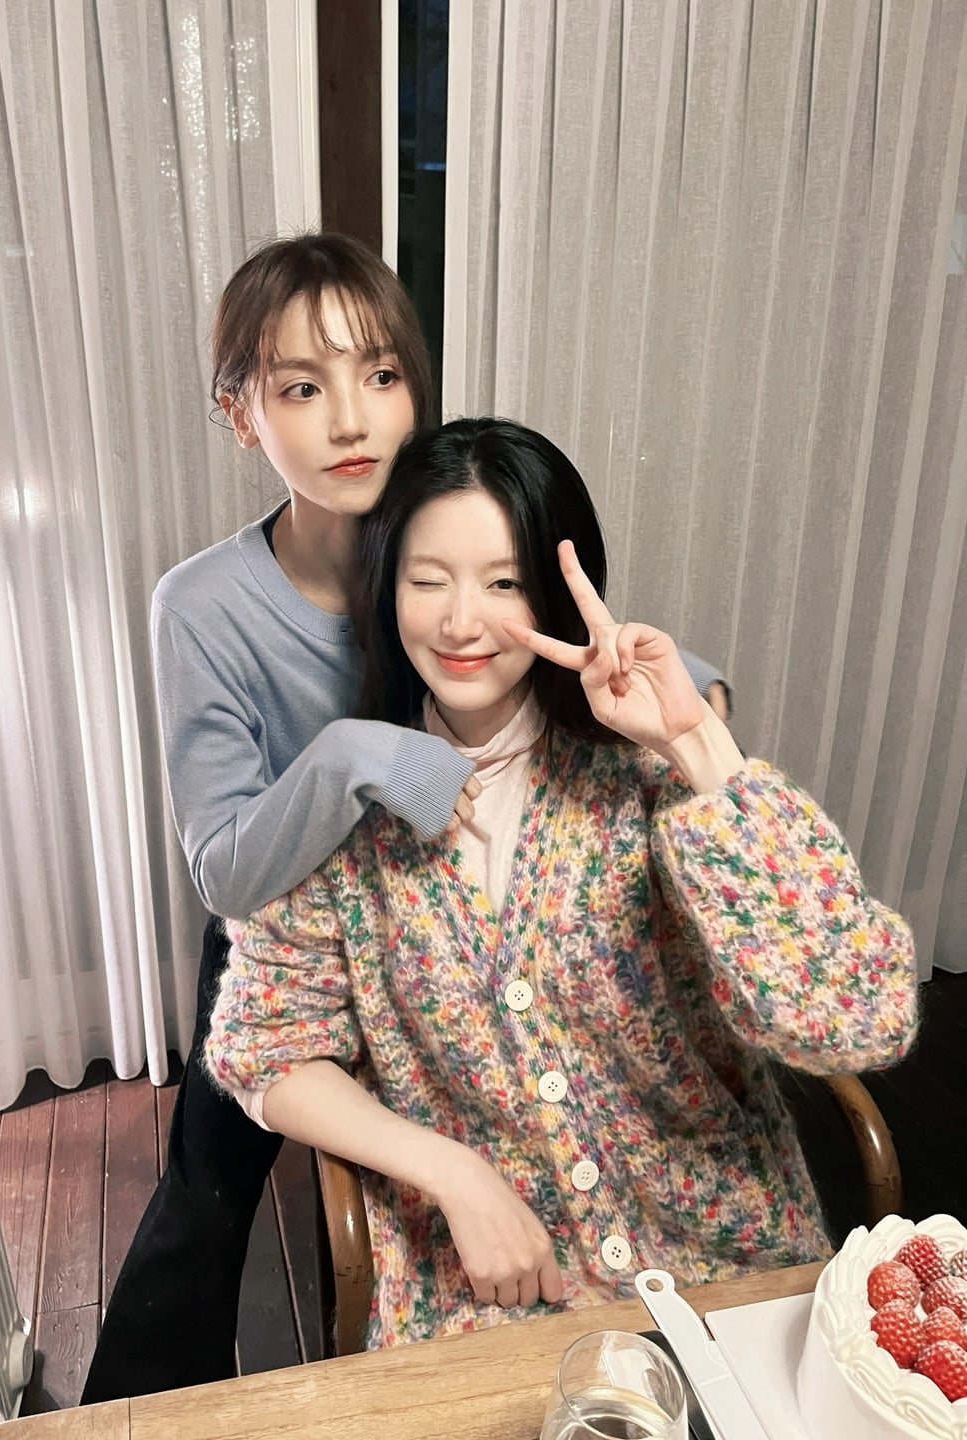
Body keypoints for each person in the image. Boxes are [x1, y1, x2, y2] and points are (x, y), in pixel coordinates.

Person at [82, 237, 731, 1400]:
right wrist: (355, 756)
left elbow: (608, 660)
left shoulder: (441, 531)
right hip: (286, 912)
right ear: (240, 414)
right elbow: (226, 869)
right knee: (206, 1196)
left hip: (443, 922)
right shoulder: (203, 605)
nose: (351, 420)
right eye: (301, 387)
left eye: (381, 376)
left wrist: (693, 711)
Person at [205, 417, 917, 1351]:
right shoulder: (349, 813)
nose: (462, 623)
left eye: (503, 583)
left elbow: (854, 1020)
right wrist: (450, 1170)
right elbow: (262, 1052)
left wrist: (698, 745)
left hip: (723, 1269)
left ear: (553, 597)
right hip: (487, 1294)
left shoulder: (648, 779)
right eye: (428, 579)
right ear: (386, 589)